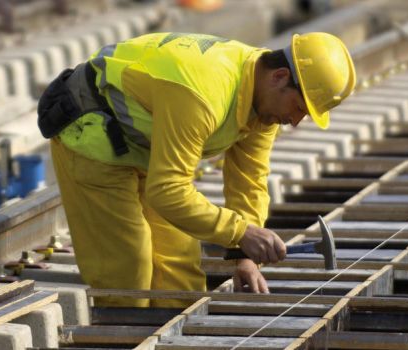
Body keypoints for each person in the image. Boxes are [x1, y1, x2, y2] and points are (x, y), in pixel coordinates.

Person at [37, 32, 356, 307]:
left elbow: (249, 182)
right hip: (94, 138)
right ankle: (119, 335)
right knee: (128, 272)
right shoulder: (202, 93)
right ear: (280, 77)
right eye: (300, 108)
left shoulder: (263, 101)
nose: (296, 121)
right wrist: (241, 232)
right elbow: (167, 191)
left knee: (181, 272)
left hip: (148, 146)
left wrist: (243, 255)